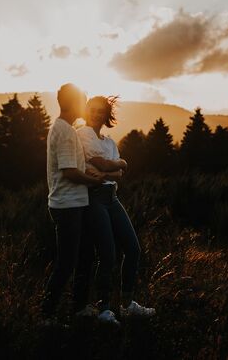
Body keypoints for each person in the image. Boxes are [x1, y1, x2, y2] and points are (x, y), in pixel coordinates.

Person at [77, 95, 156, 325]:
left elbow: (117, 173)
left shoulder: (110, 142)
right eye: (92, 109)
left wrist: (117, 166)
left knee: (133, 248)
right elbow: (102, 164)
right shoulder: (83, 134)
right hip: (94, 199)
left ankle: (128, 304)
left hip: (112, 197)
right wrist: (119, 164)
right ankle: (104, 309)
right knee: (108, 254)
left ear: (106, 115)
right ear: (86, 110)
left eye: (100, 110)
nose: (95, 113)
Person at [40, 83, 105, 323]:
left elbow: (72, 166)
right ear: (73, 103)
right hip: (67, 206)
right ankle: (46, 315)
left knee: (85, 255)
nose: (85, 106)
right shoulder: (66, 131)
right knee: (66, 262)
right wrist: (93, 181)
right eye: (83, 100)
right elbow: (69, 172)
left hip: (75, 203)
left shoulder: (63, 127)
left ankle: (79, 307)